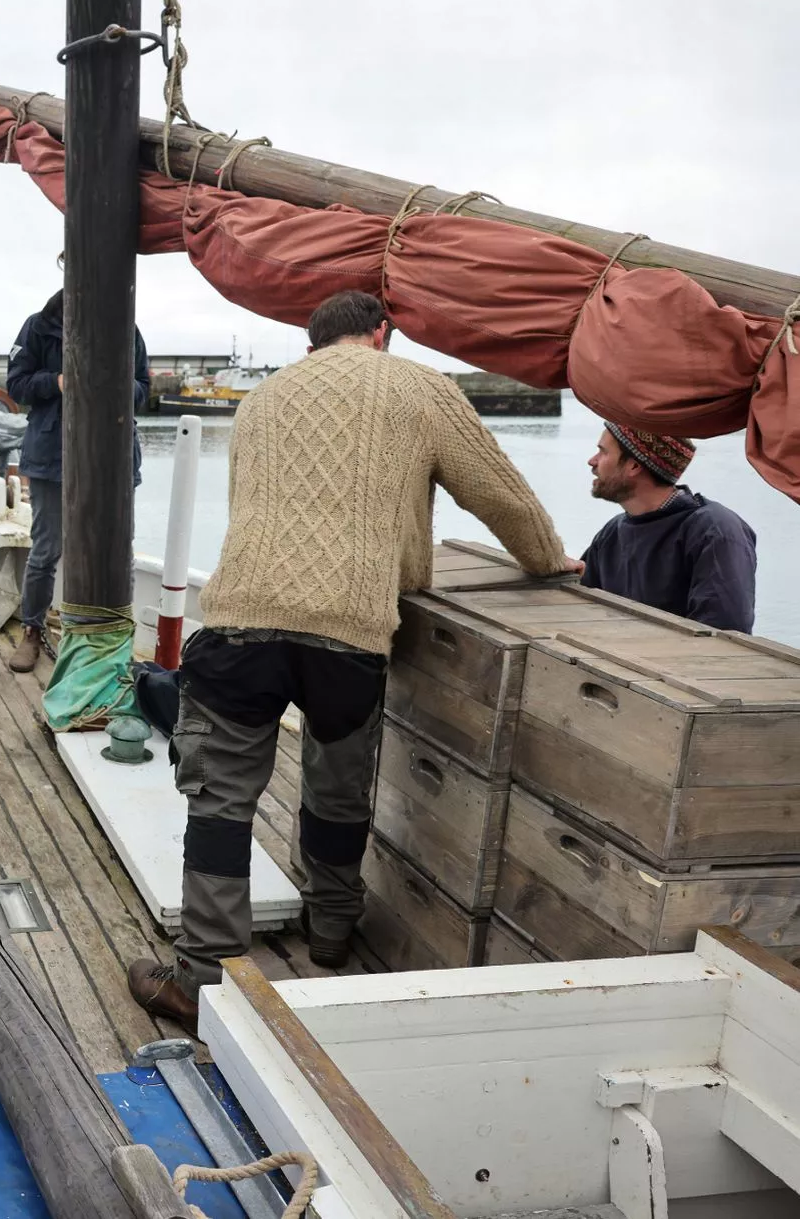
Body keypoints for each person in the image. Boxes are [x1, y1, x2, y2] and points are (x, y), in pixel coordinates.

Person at [123, 290, 576, 1030]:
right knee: (336, 794)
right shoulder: (421, 387)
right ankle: (330, 935)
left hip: (243, 621)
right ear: (382, 334)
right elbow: (500, 496)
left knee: (220, 802)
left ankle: (201, 977)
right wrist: (545, 558)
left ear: (312, 343)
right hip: (351, 630)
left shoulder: (262, 398)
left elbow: (253, 511)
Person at [3, 289, 149, 674]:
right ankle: (32, 629)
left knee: (119, 551)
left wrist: (117, 385)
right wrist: (58, 382)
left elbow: (142, 391)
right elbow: (16, 386)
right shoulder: (37, 327)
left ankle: (114, 634)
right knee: (46, 549)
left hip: (112, 458)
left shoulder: (126, 331)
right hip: (53, 456)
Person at [581, 423, 756, 632]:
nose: (592, 461)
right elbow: (579, 598)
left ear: (634, 466)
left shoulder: (715, 531)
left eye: (603, 452)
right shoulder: (612, 533)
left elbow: (723, 630)